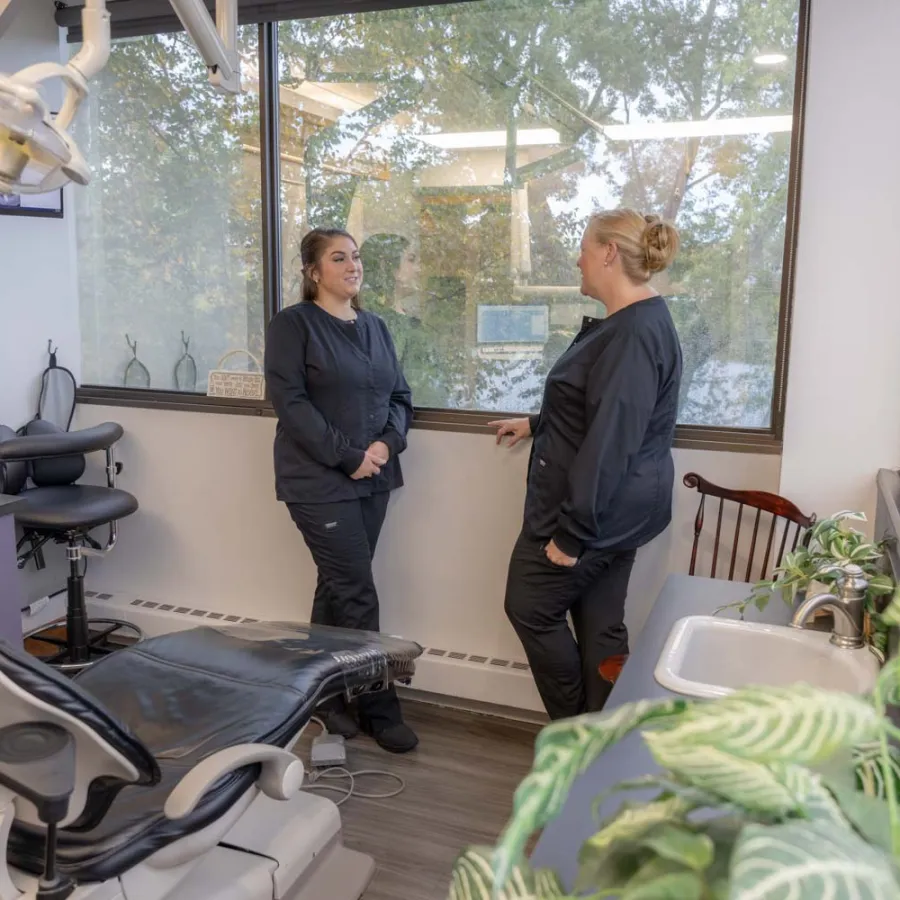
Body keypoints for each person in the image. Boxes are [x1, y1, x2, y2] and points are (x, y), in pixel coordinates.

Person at [491, 209, 682, 721]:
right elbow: (601, 406)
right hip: (623, 513)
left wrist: (572, 533)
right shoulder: (633, 323)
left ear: (608, 254)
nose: (577, 259)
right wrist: (539, 422)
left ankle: (576, 733)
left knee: (528, 606)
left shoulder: (633, 334)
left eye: (583, 248)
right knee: (601, 625)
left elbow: (612, 439)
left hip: (595, 514)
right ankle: (602, 741)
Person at [264, 226, 418, 753]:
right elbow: (292, 405)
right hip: (318, 480)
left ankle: (322, 694)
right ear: (313, 272)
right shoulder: (293, 326)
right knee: (356, 591)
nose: (352, 265)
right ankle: (379, 705)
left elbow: (400, 396)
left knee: (336, 586)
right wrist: (348, 456)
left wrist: (385, 446)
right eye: (339, 258)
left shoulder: (375, 327)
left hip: (373, 476)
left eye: (355, 257)